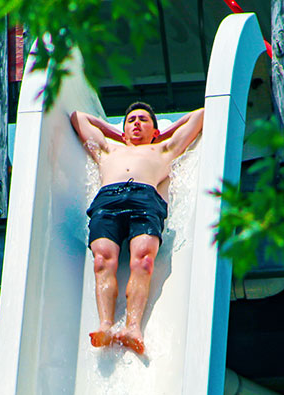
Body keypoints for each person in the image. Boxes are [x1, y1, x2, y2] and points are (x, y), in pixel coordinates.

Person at [70, 102, 204, 354]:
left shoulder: (164, 149)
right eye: (131, 120)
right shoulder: (108, 149)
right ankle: (106, 325)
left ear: (155, 130)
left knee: (143, 261)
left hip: (145, 198)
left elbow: (200, 116)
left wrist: (164, 133)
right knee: (102, 260)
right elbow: (79, 117)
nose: (137, 124)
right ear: (123, 131)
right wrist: (114, 132)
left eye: (143, 120)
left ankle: (133, 327)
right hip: (108, 199)